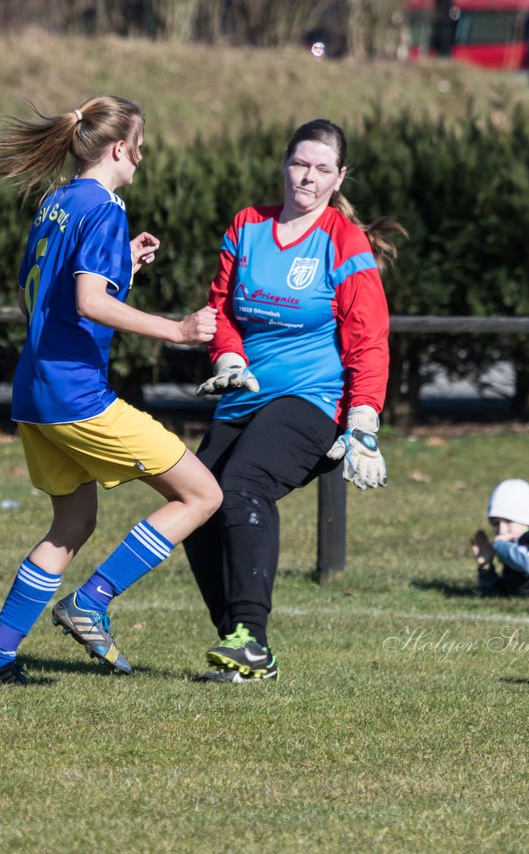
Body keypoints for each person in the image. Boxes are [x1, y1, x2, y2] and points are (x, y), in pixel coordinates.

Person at [0, 95, 223, 685]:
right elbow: (88, 302)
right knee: (202, 496)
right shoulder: (105, 207)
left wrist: (122, 265)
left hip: (33, 393)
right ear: (118, 149)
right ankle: (91, 602)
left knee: (73, 524)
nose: (141, 159)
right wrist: (178, 331)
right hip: (76, 395)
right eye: (140, 147)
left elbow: (54, 292)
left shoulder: (58, 201)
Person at [182, 118, 402, 683]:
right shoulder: (246, 227)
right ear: (284, 164)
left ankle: (250, 638)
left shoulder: (343, 241)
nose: (307, 176)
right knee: (194, 503)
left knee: (243, 486)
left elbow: (369, 340)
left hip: (313, 401)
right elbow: (223, 311)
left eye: (322, 169)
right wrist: (228, 359)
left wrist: (363, 424)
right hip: (244, 399)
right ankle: (240, 645)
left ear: (339, 177)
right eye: (300, 163)